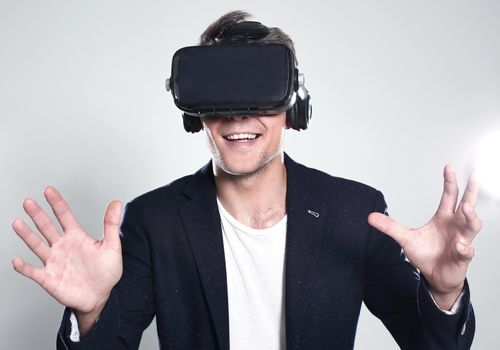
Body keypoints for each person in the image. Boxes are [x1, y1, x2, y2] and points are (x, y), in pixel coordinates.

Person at [11, 10, 481, 350]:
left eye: (258, 94)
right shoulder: (154, 222)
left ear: (294, 108)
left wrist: (444, 294)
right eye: (219, 97)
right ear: (195, 114)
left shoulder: (355, 213)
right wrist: (92, 312)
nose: (237, 114)